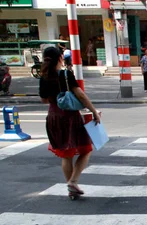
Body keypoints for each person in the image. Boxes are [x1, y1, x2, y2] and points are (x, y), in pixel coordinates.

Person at [38, 46, 101, 198]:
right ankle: (73, 181)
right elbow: (80, 95)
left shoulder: (44, 77)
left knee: (67, 155)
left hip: (53, 116)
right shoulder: (65, 74)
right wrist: (93, 111)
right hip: (70, 116)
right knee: (85, 149)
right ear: (60, 58)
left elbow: (44, 99)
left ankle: (71, 188)